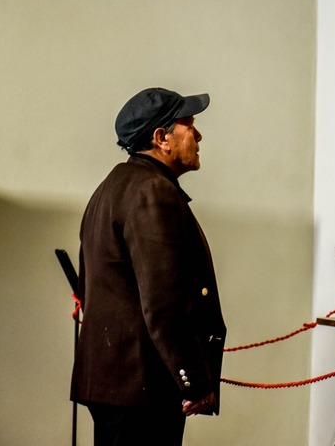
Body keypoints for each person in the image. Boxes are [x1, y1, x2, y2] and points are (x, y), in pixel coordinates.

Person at [71, 87, 227, 446]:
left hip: (116, 384)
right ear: (162, 138)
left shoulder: (111, 187)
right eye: (189, 124)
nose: (198, 134)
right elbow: (164, 302)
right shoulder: (153, 191)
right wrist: (192, 380)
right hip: (141, 389)